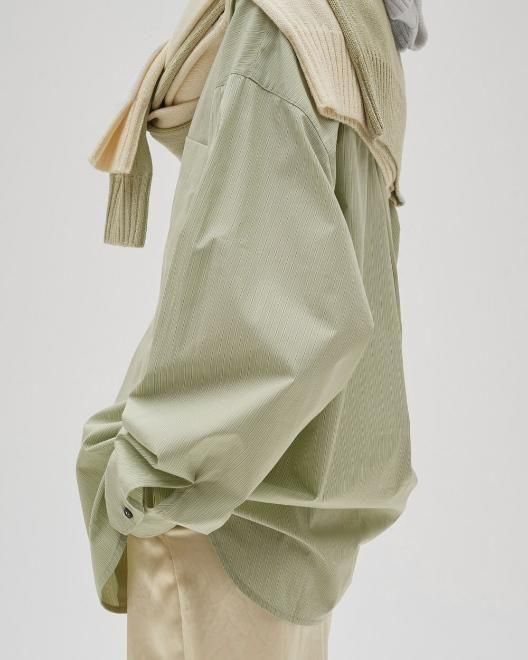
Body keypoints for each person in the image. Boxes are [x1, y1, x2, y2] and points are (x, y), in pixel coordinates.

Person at [76, 0, 427, 657]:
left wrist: (152, 473)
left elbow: (278, 312)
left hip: (216, 522)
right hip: (287, 508)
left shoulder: (279, 28)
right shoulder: (353, 29)